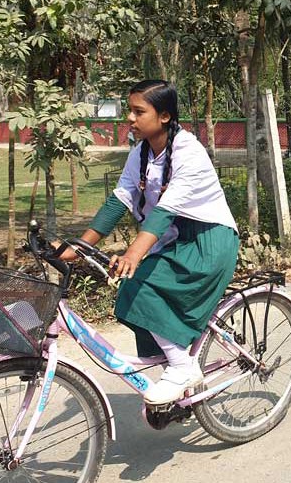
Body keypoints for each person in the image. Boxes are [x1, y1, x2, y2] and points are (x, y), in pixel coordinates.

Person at [59, 79, 240, 405]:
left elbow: (166, 210)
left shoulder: (189, 152)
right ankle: (177, 363)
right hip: (173, 241)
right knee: (133, 291)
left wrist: (134, 254)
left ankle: (183, 367)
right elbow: (119, 201)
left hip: (208, 243)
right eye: (130, 110)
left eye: (138, 111)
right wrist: (78, 247)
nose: (130, 118)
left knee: (138, 284)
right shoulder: (140, 153)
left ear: (165, 116)